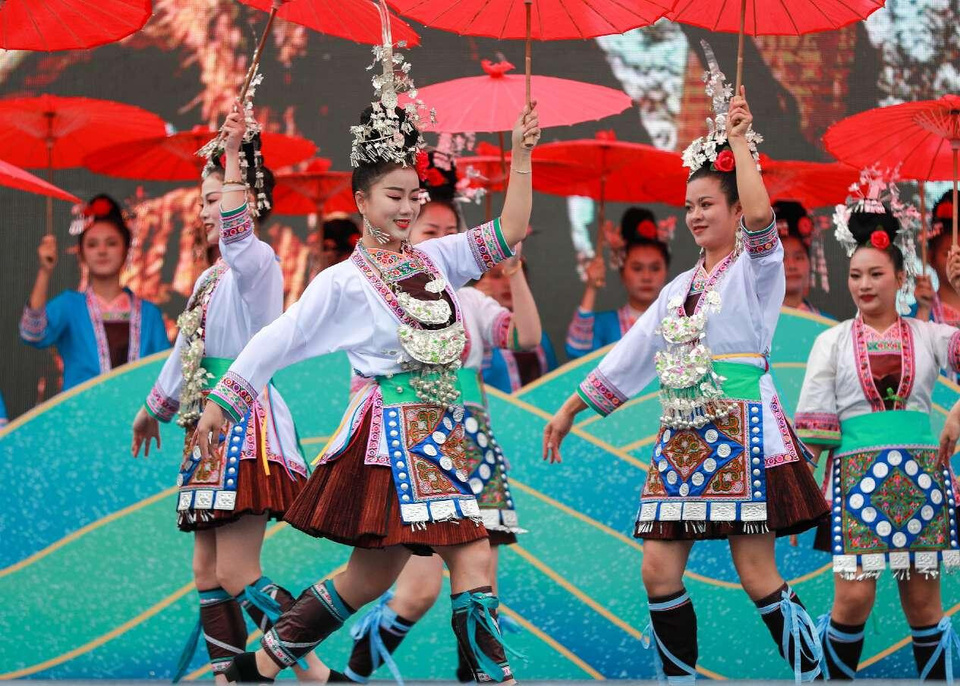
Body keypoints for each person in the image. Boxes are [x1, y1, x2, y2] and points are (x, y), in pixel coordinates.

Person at [192, 36, 540, 684]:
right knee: (454, 560)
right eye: (393, 196)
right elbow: (278, 338)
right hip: (395, 441)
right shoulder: (343, 282)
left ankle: (256, 667)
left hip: (442, 435)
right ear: (361, 200)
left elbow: (510, 230)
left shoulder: (435, 259)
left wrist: (521, 155)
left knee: (377, 575)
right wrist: (223, 400)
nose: (407, 208)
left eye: (414, 196)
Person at [542, 64, 828, 683]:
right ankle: (679, 680)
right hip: (683, 435)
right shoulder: (677, 289)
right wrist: (570, 408)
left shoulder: (757, 270)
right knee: (658, 570)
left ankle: (816, 675)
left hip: (742, 428)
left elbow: (761, 218)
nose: (697, 216)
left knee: (757, 573)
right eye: (690, 206)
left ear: (734, 209)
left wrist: (741, 146)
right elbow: (632, 354)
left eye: (708, 205)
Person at [130, 111, 323, 683]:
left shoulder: (257, 264)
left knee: (238, 570)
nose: (206, 212)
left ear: (246, 201)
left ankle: (312, 668)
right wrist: (153, 409)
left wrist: (235, 155)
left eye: (216, 199)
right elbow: (186, 353)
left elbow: (239, 241)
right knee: (208, 572)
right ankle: (228, 677)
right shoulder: (208, 278)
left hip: (243, 426)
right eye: (203, 202)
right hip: (206, 429)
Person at [338, 153, 542, 684]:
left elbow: (526, 338)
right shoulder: (384, 293)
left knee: (481, 580)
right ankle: (350, 675)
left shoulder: (471, 301)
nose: (443, 240)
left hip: (470, 442)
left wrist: (513, 272)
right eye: (432, 231)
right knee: (418, 590)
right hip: (418, 443)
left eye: (452, 232)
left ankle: (477, 677)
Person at [794, 196, 960, 681]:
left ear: (901, 277)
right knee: (852, 599)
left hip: (922, 481)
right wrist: (797, 492)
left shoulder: (930, 335)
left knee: (924, 604)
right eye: (855, 275)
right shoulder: (831, 341)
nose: (864, 284)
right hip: (856, 482)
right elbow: (814, 432)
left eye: (875, 274)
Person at [19, 195, 169, 391]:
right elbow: (32, 334)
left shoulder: (149, 314)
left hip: (138, 409)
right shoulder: (70, 306)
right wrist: (45, 271)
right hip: (81, 409)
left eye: (111, 243)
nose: (102, 251)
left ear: (126, 250)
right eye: (92, 244)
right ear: (81, 253)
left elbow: (165, 374)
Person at [565, 207, 671, 358]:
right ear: (622, 272)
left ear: (666, 271)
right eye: (637, 268)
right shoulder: (605, 324)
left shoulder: (679, 323)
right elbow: (576, 350)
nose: (646, 277)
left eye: (655, 268)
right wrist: (591, 288)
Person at [476, 259, 558, 393]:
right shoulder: (471, 335)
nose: (507, 283)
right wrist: (475, 304)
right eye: (497, 276)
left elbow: (554, 385)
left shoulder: (539, 338)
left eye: (514, 275)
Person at [775, 200, 826, 316]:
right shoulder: (755, 323)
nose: (792, 266)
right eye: (782, 259)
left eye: (799, 258)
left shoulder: (827, 323)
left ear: (809, 263)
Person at [916, 192, 960, 326]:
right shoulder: (914, 316)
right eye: (948, 253)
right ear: (931, 257)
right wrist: (923, 311)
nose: (957, 260)